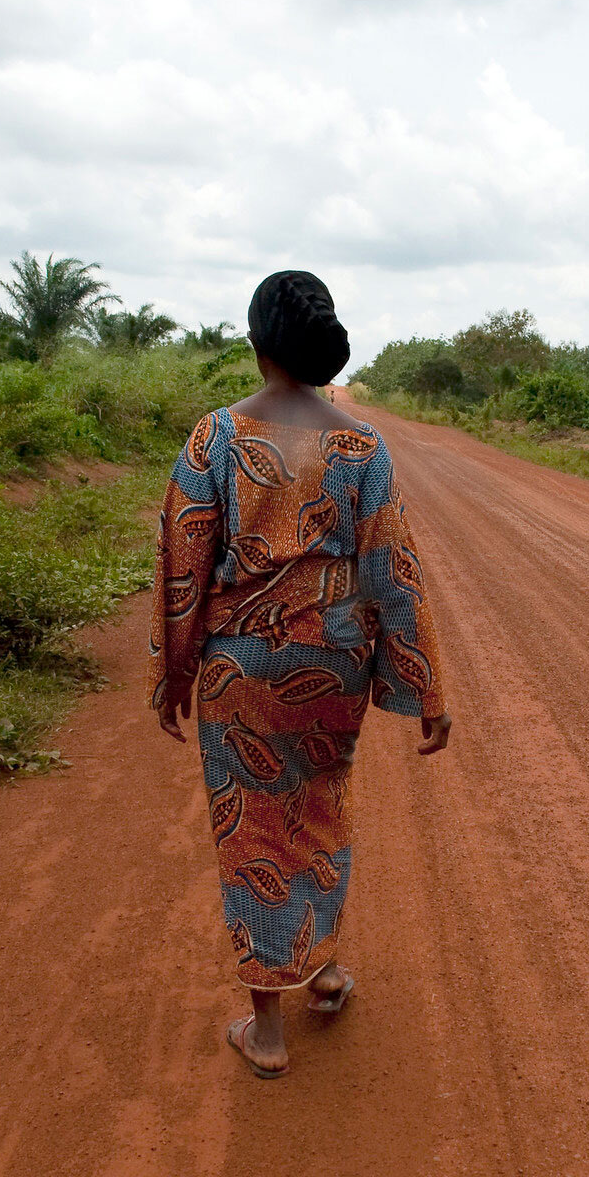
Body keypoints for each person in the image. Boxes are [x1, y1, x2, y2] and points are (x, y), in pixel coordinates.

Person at [151, 270, 453, 1079]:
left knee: (251, 823)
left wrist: (173, 675)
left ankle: (269, 1029)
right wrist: (426, 688)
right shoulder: (362, 446)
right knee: (317, 807)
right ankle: (320, 966)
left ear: (255, 344)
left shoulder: (213, 439)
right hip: (334, 667)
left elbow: (184, 566)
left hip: (239, 670)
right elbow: (393, 570)